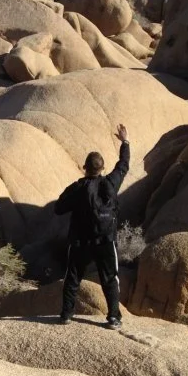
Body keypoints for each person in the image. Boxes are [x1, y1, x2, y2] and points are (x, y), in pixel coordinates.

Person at [55, 124, 130, 330]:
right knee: (110, 279)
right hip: (106, 241)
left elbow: (58, 208)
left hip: (80, 242)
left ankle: (66, 315)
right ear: (102, 168)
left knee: (73, 277)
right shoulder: (111, 182)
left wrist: (72, 197)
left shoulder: (78, 188)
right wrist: (125, 142)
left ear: (84, 167)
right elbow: (123, 165)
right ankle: (114, 317)